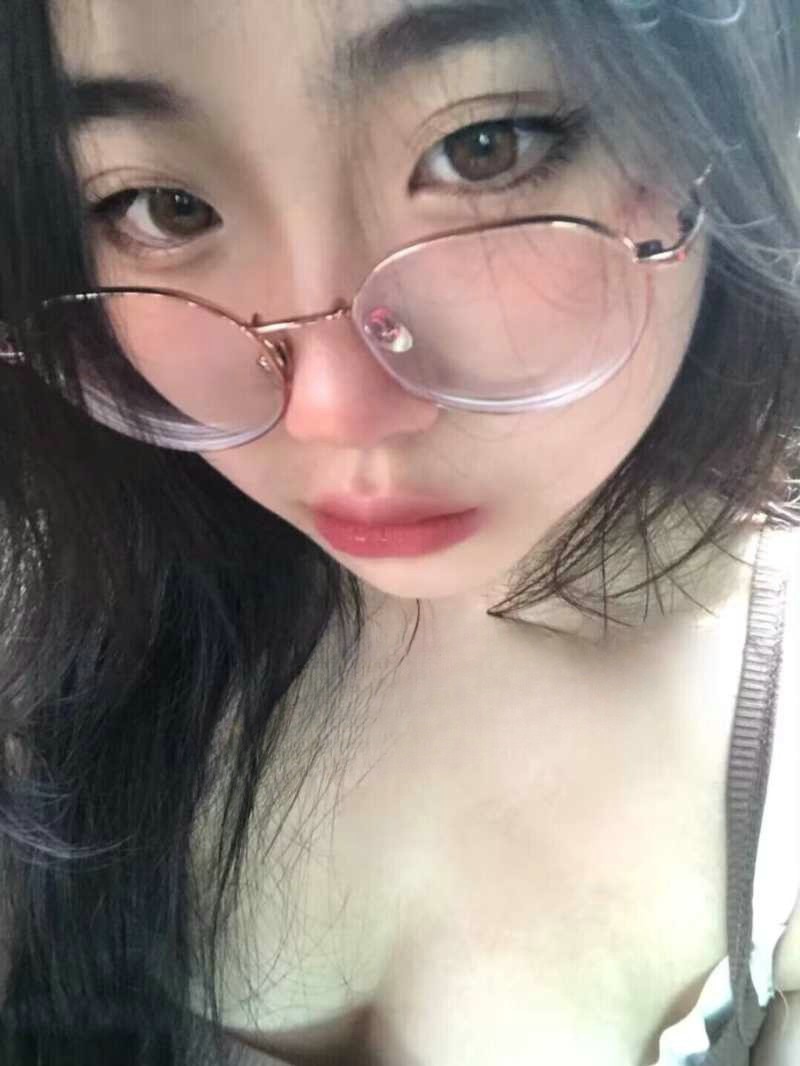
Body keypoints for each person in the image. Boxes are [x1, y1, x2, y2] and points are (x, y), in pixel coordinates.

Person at [0, 0, 799, 1062]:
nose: (331, 409)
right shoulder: (47, 604)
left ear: (722, 116)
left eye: (485, 148)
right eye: (164, 206)